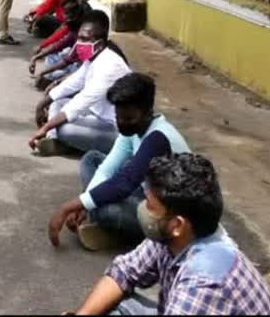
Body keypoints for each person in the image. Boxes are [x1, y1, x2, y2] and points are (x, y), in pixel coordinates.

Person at [65, 153, 270, 315]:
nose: (142, 209)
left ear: (178, 224)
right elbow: (124, 272)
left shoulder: (204, 283)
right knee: (116, 307)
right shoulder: (173, 235)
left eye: (149, 205)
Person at [47, 73, 190, 251]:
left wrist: (70, 206)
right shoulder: (133, 130)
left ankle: (119, 234)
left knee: (107, 210)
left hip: (169, 215)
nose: (122, 123)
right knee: (92, 159)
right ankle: (105, 224)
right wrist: (84, 203)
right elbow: (107, 168)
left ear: (148, 111)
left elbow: (126, 182)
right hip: (148, 193)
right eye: (118, 117)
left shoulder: (158, 137)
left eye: (129, 118)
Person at [29, 10, 130, 157]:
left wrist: (46, 127)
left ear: (100, 44)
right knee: (58, 104)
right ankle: (56, 141)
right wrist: (42, 104)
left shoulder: (111, 66)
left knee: (65, 129)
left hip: (115, 128)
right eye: (79, 38)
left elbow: (81, 103)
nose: (79, 44)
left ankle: (64, 141)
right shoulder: (95, 58)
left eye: (84, 39)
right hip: (96, 116)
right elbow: (73, 82)